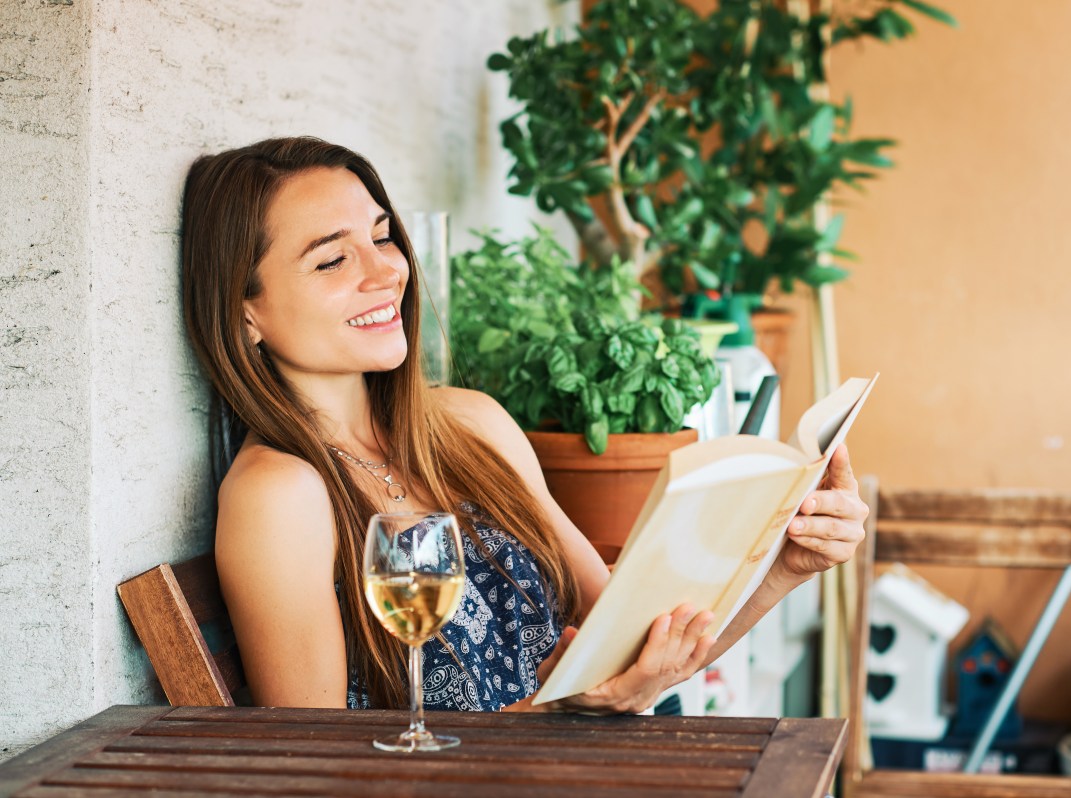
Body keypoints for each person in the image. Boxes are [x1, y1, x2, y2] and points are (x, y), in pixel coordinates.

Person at [180, 136, 867, 714]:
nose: (387, 270)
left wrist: (786, 565)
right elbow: (315, 773)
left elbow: (634, 637)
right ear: (245, 313)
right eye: (332, 258)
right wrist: (551, 717)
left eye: (383, 237)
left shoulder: (468, 424)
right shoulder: (279, 494)